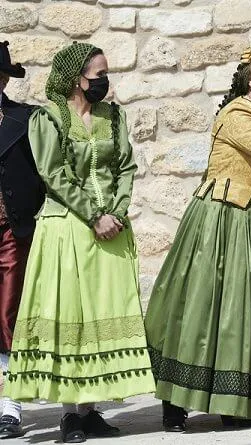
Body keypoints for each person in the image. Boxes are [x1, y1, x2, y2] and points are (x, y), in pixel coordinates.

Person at [3, 42, 154, 443]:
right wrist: (94, 214)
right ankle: (69, 412)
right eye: (98, 75)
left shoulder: (113, 116)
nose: (104, 82)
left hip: (112, 230)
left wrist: (116, 214)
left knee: (101, 315)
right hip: (66, 225)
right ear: (75, 79)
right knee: (71, 314)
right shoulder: (49, 119)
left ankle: (90, 410)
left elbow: (125, 166)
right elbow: (53, 174)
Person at [144, 46, 251, 432]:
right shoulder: (239, 113)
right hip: (223, 217)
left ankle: (234, 399)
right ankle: (174, 401)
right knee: (201, 308)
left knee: (246, 311)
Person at [0, 41, 45, 439]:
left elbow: (44, 175)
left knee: (8, 315)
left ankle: (9, 405)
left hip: (12, 232)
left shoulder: (25, 120)